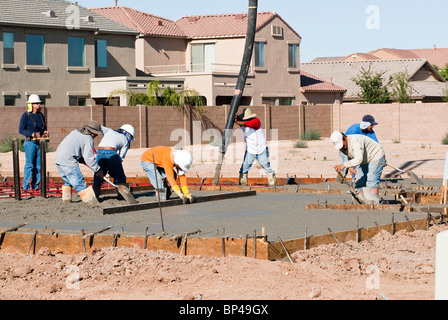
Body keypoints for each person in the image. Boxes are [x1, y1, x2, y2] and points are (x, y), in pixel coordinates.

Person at [55, 121, 104, 204]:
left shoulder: (76, 132)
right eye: (96, 134)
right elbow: (89, 158)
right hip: (68, 161)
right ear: (92, 133)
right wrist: (98, 170)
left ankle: (66, 201)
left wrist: (80, 158)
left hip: (59, 159)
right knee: (79, 183)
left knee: (68, 181)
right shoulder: (88, 138)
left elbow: (74, 146)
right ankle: (91, 203)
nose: (95, 136)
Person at [330, 130, 386, 204]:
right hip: (365, 159)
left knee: (371, 181)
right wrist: (350, 167)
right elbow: (350, 155)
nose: (344, 147)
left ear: (344, 137)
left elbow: (359, 159)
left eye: (343, 145)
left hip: (376, 155)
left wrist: (344, 165)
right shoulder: (342, 147)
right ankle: (360, 202)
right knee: (359, 182)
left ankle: (372, 204)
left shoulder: (355, 141)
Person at [234, 108, 276, 187]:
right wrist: (235, 118)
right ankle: (242, 184)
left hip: (261, 149)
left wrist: (236, 121)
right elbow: (241, 122)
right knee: (244, 168)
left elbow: (247, 124)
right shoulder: (243, 123)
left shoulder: (256, 121)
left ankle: (273, 184)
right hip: (250, 150)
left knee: (266, 166)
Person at [92, 124, 135, 198]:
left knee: (99, 175)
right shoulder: (125, 141)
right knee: (121, 177)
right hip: (111, 152)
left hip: (99, 151)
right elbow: (121, 157)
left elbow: (99, 127)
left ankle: (95, 196)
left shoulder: (109, 131)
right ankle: (122, 196)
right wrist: (113, 170)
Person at [18, 94, 50, 191]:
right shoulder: (26, 115)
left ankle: (35, 186)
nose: (38, 105)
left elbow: (44, 127)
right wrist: (31, 134)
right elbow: (21, 130)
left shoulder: (40, 115)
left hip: (40, 142)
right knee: (29, 165)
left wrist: (45, 132)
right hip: (30, 142)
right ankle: (26, 186)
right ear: (31, 104)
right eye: (36, 103)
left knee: (39, 166)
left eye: (39, 103)